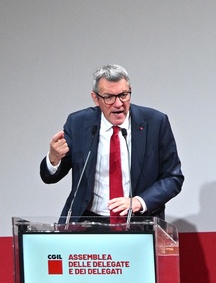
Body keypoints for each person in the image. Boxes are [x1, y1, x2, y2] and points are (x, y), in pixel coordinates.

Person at [40, 64, 184, 223]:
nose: (118, 104)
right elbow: (50, 177)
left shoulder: (155, 123)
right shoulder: (79, 123)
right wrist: (53, 159)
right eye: (109, 97)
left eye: (123, 95)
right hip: (88, 222)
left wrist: (139, 201)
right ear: (96, 98)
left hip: (138, 220)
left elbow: (173, 178)